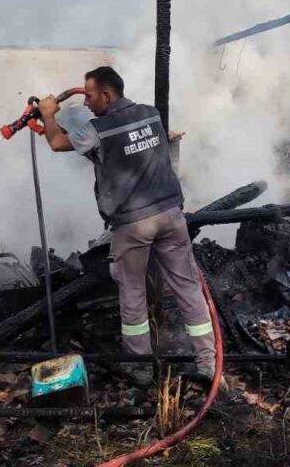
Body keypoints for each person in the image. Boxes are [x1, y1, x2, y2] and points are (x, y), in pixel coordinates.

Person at [37, 66, 215, 386]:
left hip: (134, 224)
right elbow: (128, 148)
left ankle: (141, 365)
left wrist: (49, 114)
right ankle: (207, 363)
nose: (87, 103)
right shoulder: (150, 114)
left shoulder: (98, 128)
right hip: (171, 215)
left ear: (107, 94)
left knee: (131, 291)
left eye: (90, 96)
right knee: (188, 287)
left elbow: (55, 143)